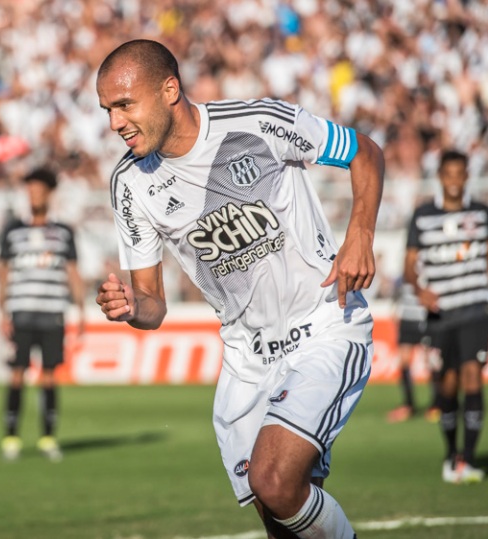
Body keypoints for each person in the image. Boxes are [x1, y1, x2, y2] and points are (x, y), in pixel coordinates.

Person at [94, 40, 383, 538]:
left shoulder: (257, 122)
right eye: (107, 111)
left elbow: (365, 152)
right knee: (278, 519)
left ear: (169, 90)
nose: (114, 123)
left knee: (275, 481)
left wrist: (359, 234)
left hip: (322, 326)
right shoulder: (130, 184)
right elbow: (153, 304)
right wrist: (129, 306)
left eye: (124, 105)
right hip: (246, 359)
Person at [403, 149, 488, 484]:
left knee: (473, 375)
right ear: (440, 177)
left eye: (459, 173)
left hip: (476, 309)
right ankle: (451, 454)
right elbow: (408, 267)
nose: (454, 179)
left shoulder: (483, 213)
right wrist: (420, 290)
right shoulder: (421, 216)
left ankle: (470, 460)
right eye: (448, 173)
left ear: (465, 176)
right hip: (440, 314)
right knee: (447, 385)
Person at [0, 167, 85, 462]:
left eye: (39, 189)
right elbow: (3, 274)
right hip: (21, 312)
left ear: (49, 194)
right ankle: (11, 437)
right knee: (17, 374)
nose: (34, 195)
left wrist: (81, 310)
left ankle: (48, 437)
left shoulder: (63, 233)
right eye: (30, 189)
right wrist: (2, 311)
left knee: (49, 376)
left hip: (52, 313)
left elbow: (73, 272)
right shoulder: (12, 230)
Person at [385, 282, 440, 423]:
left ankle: (436, 405)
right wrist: (396, 309)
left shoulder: (428, 263)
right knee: (404, 361)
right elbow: (399, 290)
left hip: (425, 316)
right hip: (407, 318)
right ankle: (408, 405)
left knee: (431, 361)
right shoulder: (407, 264)